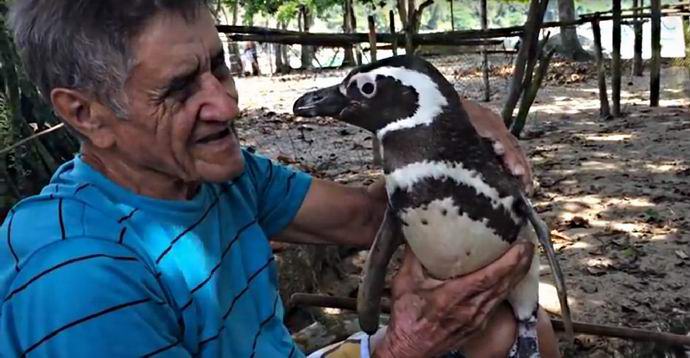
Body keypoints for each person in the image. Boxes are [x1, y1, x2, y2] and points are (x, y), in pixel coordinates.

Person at [0, 1, 559, 357]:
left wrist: (443, 122)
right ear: (86, 114)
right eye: (178, 89)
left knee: (506, 331)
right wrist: (406, 346)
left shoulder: (220, 178)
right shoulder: (78, 279)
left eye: (219, 67)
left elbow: (371, 217)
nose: (226, 104)